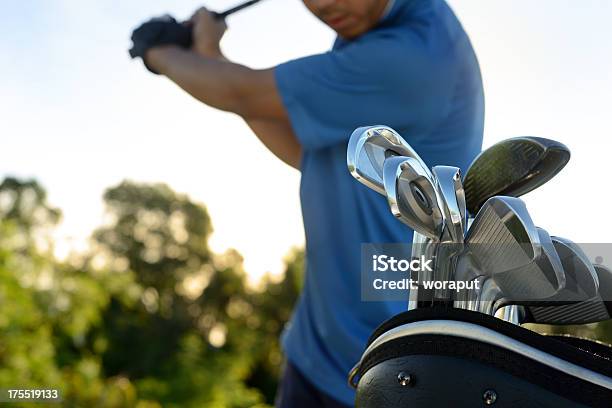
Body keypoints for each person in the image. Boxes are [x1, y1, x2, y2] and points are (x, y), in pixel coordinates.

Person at [130, 0, 484, 406]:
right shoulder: (368, 28)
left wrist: (157, 52)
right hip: (317, 348)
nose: (323, 5)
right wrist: (213, 60)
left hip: (379, 375)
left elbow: (242, 92)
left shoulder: (415, 54)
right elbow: (307, 152)